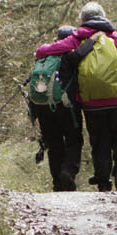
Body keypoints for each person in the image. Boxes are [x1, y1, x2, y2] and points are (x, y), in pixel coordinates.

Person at [35, 2, 117, 191]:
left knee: (99, 139)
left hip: (91, 101)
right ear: (104, 16)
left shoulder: (78, 39)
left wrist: (42, 49)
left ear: (83, 20)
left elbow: (43, 51)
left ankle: (102, 181)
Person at [30, 25, 83, 192]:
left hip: (42, 107)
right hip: (66, 106)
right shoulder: (70, 56)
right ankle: (68, 171)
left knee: (54, 143)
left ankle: (57, 183)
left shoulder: (43, 57)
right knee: (74, 140)